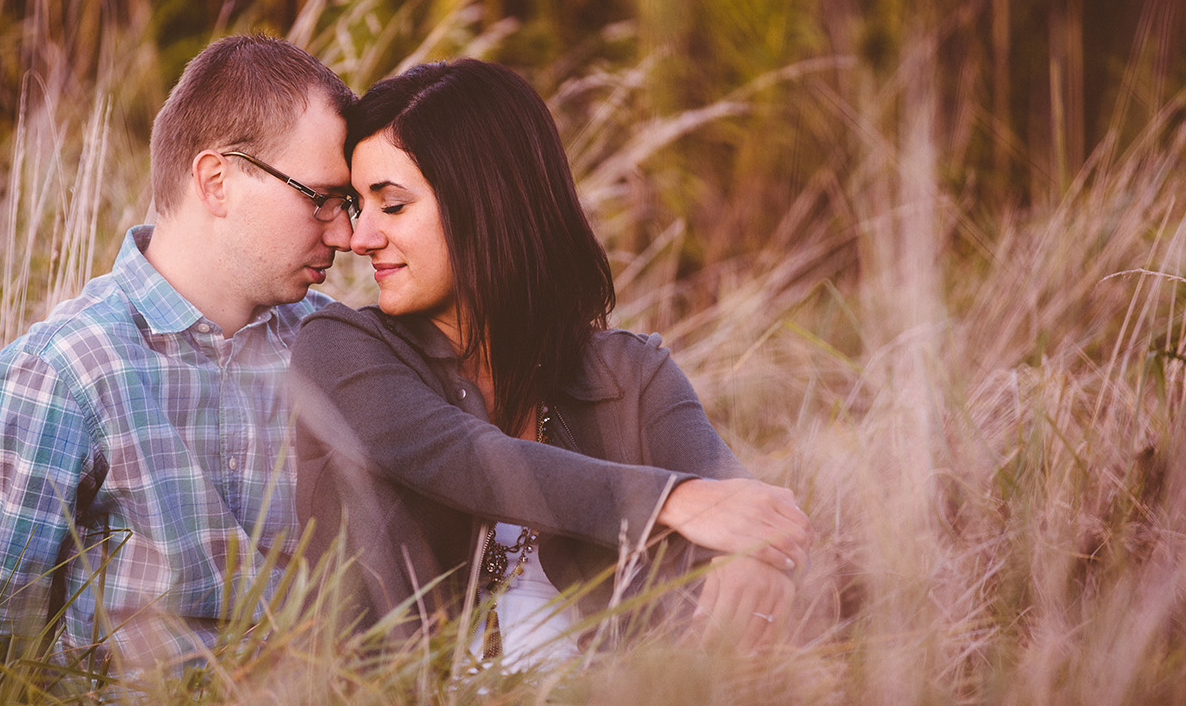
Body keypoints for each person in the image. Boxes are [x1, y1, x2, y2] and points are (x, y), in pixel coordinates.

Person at [289, 59, 811, 667]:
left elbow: (742, 511)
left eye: (393, 206)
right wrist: (669, 501)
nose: (359, 238)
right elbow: (458, 456)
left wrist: (754, 559)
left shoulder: (630, 378)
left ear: (486, 202)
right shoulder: (339, 350)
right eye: (358, 204)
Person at [0, 35, 358, 698]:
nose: (343, 234)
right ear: (216, 181)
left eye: (349, 205)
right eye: (319, 197)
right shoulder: (64, 377)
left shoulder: (330, 345)